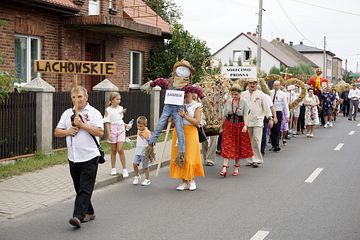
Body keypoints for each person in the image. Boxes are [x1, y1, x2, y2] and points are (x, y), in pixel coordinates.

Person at [54, 86, 104, 228]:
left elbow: (100, 133)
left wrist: (82, 125)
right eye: (74, 97)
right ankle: (89, 212)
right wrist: (68, 131)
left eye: (80, 96)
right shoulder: (67, 114)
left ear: (86, 97)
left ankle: (77, 216)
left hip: (90, 156)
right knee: (79, 187)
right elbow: (57, 132)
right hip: (74, 157)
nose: (77, 100)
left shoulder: (94, 113)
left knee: (84, 188)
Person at [142, 59, 204, 166]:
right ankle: (150, 145)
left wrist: (203, 97)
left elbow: (196, 89)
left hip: (178, 110)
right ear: (176, 70)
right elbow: (159, 80)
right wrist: (151, 84)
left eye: (185, 70)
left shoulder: (186, 86)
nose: (182, 71)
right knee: (159, 126)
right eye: (181, 69)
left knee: (180, 132)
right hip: (167, 108)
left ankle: (181, 154)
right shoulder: (169, 82)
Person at [170, 92, 205, 191]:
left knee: (189, 156)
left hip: (191, 132)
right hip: (179, 131)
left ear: (191, 93)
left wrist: (185, 116)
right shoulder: (178, 105)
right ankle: (184, 181)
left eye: (187, 93)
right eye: (183, 93)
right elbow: (173, 123)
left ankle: (192, 180)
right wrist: (171, 119)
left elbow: (197, 122)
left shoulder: (196, 105)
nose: (185, 95)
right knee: (181, 156)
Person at [219, 84, 253, 176]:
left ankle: (236, 166)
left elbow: (246, 115)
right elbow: (224, 115)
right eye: (233, 94)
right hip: (229, 125)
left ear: (240, 94)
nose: (234, 96)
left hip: (239, 126)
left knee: (238, 146)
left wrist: (245, 126)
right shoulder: (228, 102)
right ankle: (224, 167)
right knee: (227, 145)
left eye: (236, 94)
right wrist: (221, 126)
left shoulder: (244, 102)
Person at [242, 78, 273, 168]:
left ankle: (256, 159)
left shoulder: (261, 95)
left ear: (257, 84)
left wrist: (270, 118)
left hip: (258, 120)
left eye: (254, 83)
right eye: (251, 83)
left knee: (256, 139)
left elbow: (267, 107)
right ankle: (249, 159)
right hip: (247, 121)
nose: (252, 85)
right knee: (248, 140)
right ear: (248, 84)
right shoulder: (243, 94)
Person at [103, 92, 130, 177]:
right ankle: (113, 168)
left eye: (120, 99)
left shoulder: (121, 108)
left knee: (120, 149)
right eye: (117, 99)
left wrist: (126, 125)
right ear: (111, 100)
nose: (119, 101)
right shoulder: (108, 110)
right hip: (112, 129)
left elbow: (120, 120)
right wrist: (109, 134)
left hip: (121, 129)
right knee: (113, 150)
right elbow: (107, 122)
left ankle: (125, 169)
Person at [270, 81, 289, 152]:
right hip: (271, 112)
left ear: (279, 86)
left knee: (277, 129)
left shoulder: (283, 94)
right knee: (272, 129)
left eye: (277, 85)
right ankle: (273, 144)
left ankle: (276, 145)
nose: (276, 87)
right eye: (275, 85)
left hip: (278, 112)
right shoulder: (270, 92)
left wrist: (287, 115)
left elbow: (285, 105)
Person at [132, 116, 152, 186]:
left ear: (145, 125)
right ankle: (137, 176)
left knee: (145, 166)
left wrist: (143, 136)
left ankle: (147, 179)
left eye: (141, 126)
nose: (139, 128)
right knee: (134, 163)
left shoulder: (147, 132)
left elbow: (151, 141)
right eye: (138, 126)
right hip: (138, 150)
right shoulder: (139, 130)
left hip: (144, 151)